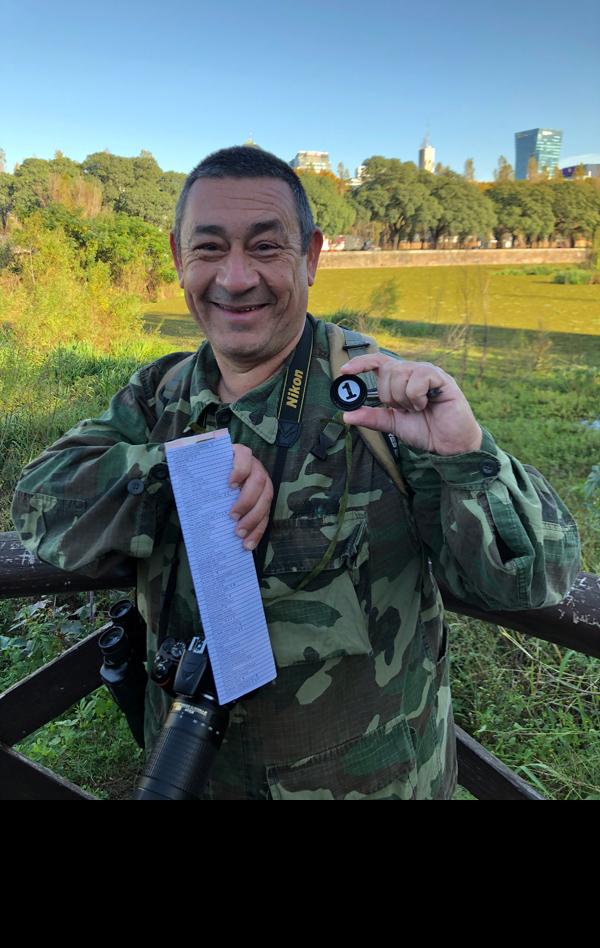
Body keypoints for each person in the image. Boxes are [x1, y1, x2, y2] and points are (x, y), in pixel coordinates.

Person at [11, 146, 580, 800]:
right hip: (193, 778)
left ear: (310, 255)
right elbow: (38, 505)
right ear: (177, 257)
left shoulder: (380, 397)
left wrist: (467, 453)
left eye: (265, 247)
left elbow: (535, 577)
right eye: (209, 248)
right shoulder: (158, 396)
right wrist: (178, 475)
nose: (235, 278)